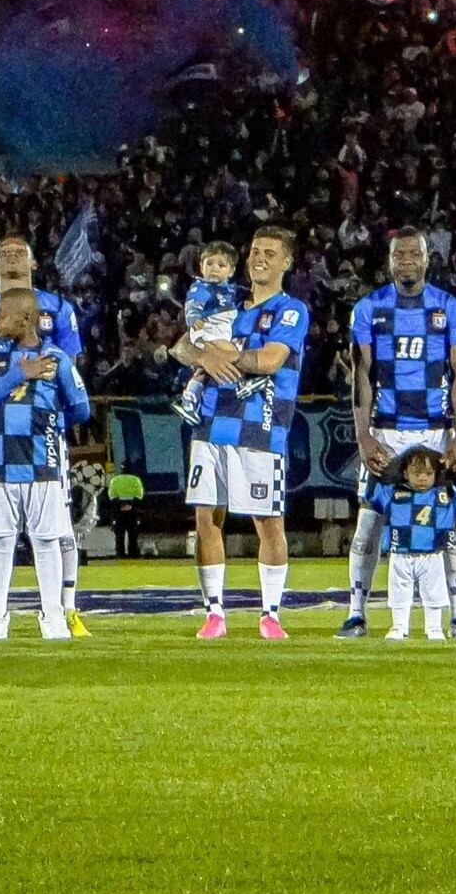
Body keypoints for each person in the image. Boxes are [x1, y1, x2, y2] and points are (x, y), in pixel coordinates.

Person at [337, 227, 456, 640]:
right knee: (369, 523)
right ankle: (355, 612)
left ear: (427, 258)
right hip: (386, 431)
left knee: (447, 527)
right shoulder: (368, 309)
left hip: (436, 432)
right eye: (399, 255)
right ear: (390, 260)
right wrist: (363, 436)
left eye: (414, 254)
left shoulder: (451, 308)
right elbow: (361, 376)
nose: (407, 262)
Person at [169, 227, 307, 640]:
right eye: (254, 251)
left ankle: (270, 614)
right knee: (207, 516)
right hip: (211, 423)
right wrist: (205, 355)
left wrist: (229, 358)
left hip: (261, 426)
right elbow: (180, 347)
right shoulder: (226, 300)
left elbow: (271, 359)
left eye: (269, 252)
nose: (259, 258)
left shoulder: (291, 310)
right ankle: (214, 614)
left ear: (286, 262)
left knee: (268, 521)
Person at [0, 235, 86, 637]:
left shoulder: (57, 355)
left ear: (25, 318)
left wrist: (53, 417)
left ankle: (57, 616)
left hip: (42, 457)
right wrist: (18, 375)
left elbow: (80, 406)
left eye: (1, 316)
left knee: (49, 538)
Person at [364, 447, 456, 641]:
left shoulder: (443, 496)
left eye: (428, 474)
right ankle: (399, 626)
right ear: (405, 473)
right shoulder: (394, 494)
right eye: (417, 473)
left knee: (434, 592)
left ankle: (434, 627)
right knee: (399, 591)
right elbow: (373, 498)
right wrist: (375, 476)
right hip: (401, 554)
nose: (423, 478)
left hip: (432, 555)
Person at [171, 241, 254, 425]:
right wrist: (193, 318)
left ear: (231, 271)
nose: (214, 269)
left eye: (221, 265)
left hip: (220, 329)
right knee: (229, 351)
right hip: (208, 328)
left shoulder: (230, 289)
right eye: (209, 264)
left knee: (205, 369)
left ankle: (189, 399)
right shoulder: (202, 287)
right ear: (201, 266)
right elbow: (193, 304)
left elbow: (244, 292)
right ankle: (241, 381)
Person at [107, 468, 145, 557]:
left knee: (119, 534)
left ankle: (120, 553)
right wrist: (130, 505)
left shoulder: (115, 480)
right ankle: (133, 552)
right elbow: (139, 495)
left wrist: (120, 505)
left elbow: (111, 495)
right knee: (133, 533)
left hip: (118, 511)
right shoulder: (136, 480)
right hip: (133, 511)